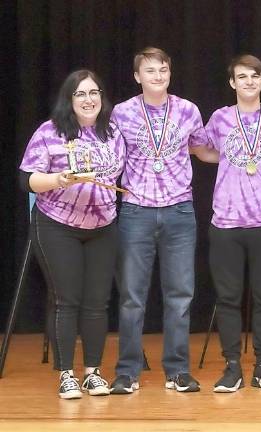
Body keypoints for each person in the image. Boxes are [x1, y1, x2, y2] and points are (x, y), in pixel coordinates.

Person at [19, 70, 125, 399]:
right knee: (67, 302)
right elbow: (27, 179)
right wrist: (59, 180)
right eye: (80, 94)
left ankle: (92, 372)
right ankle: (66, 374)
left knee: (97, 304)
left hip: (103, 227)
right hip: (57, 226)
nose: (89, 99)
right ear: (69, 100)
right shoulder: (49, 132)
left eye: (94, 92)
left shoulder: (114, 133)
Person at [109, 47, 207, 394]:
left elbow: (204, 148)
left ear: (170, 73)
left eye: (163, 70)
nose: (157, 76)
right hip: (136, 210)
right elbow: (110, 156)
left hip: (179, 210)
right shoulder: (121, 113)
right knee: (132, 296)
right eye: (150, 71)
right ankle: (127, 372)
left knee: (180, 295)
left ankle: (177, 371)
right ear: (137, 76)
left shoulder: (187, 110)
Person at [197, 55, 261, 392]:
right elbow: (205, 151)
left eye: (255, 76)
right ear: (232, 83)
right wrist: (229, 160)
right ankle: (232, 367)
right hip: (226, 220)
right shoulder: (221, 118)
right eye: (242, 77)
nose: (249, 82)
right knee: (228, 298)